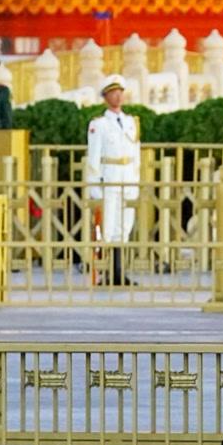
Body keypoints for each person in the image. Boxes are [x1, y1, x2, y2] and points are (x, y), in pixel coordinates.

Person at [85, 74, 141, 286]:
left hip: (127, 177)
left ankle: (119, 272)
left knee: (124, 225)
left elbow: (136, 153)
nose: (117, 97)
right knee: (107, 227)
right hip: (109, 177)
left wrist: (136, 180)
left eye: (120, 92)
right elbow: (93, 158)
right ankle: (106, 272)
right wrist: (94, 186)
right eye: (112, 93)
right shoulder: (98, 124)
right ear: (105, 96)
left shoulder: (130, 122)